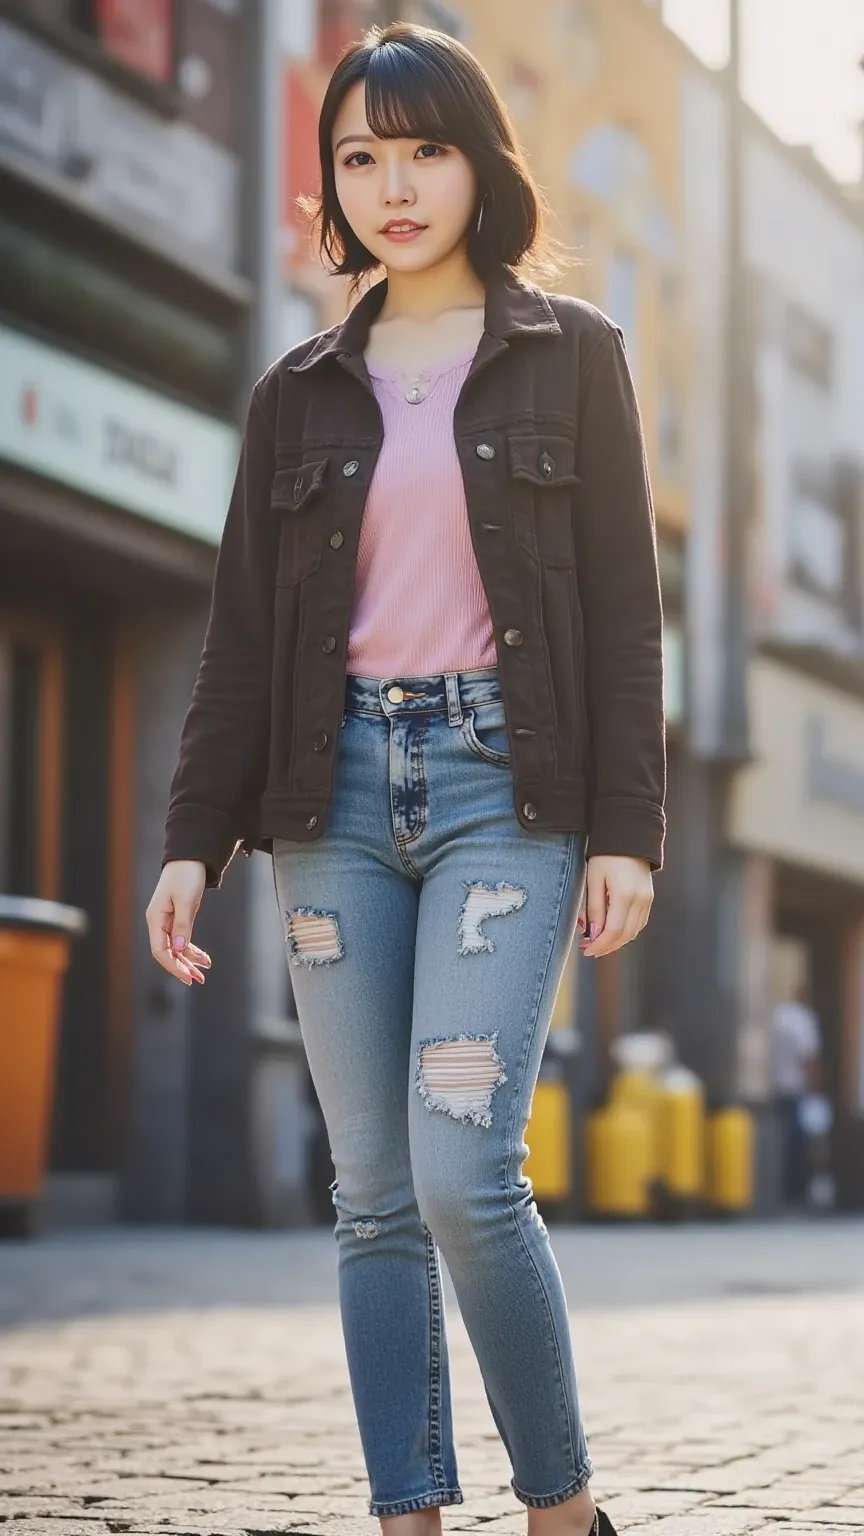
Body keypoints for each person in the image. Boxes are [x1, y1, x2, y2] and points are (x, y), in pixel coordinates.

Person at [145, 23, 666, 1535]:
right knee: (370, 1194)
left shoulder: (577, 358)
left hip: (513, 784)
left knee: (458, 1172)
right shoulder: (296, 393)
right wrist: (193, 839)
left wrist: (628, 830)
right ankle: (407, 1513)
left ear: (480, 163)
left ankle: (562, 1511)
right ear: (332, 183)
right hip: (335, 803)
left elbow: (626, 613)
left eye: (423, 148)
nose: (393, 183)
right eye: (359, 156)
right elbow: (242, 639)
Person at [771, 980, 822, 1207]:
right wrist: (814, 1087)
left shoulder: (779, 1016)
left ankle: (781, 1192)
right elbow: (807, 1057)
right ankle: (796, 1194)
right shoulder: (803, 1019)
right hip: (797, 1089)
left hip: (779, 1087)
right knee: (800, 1145)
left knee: (783, 1143)